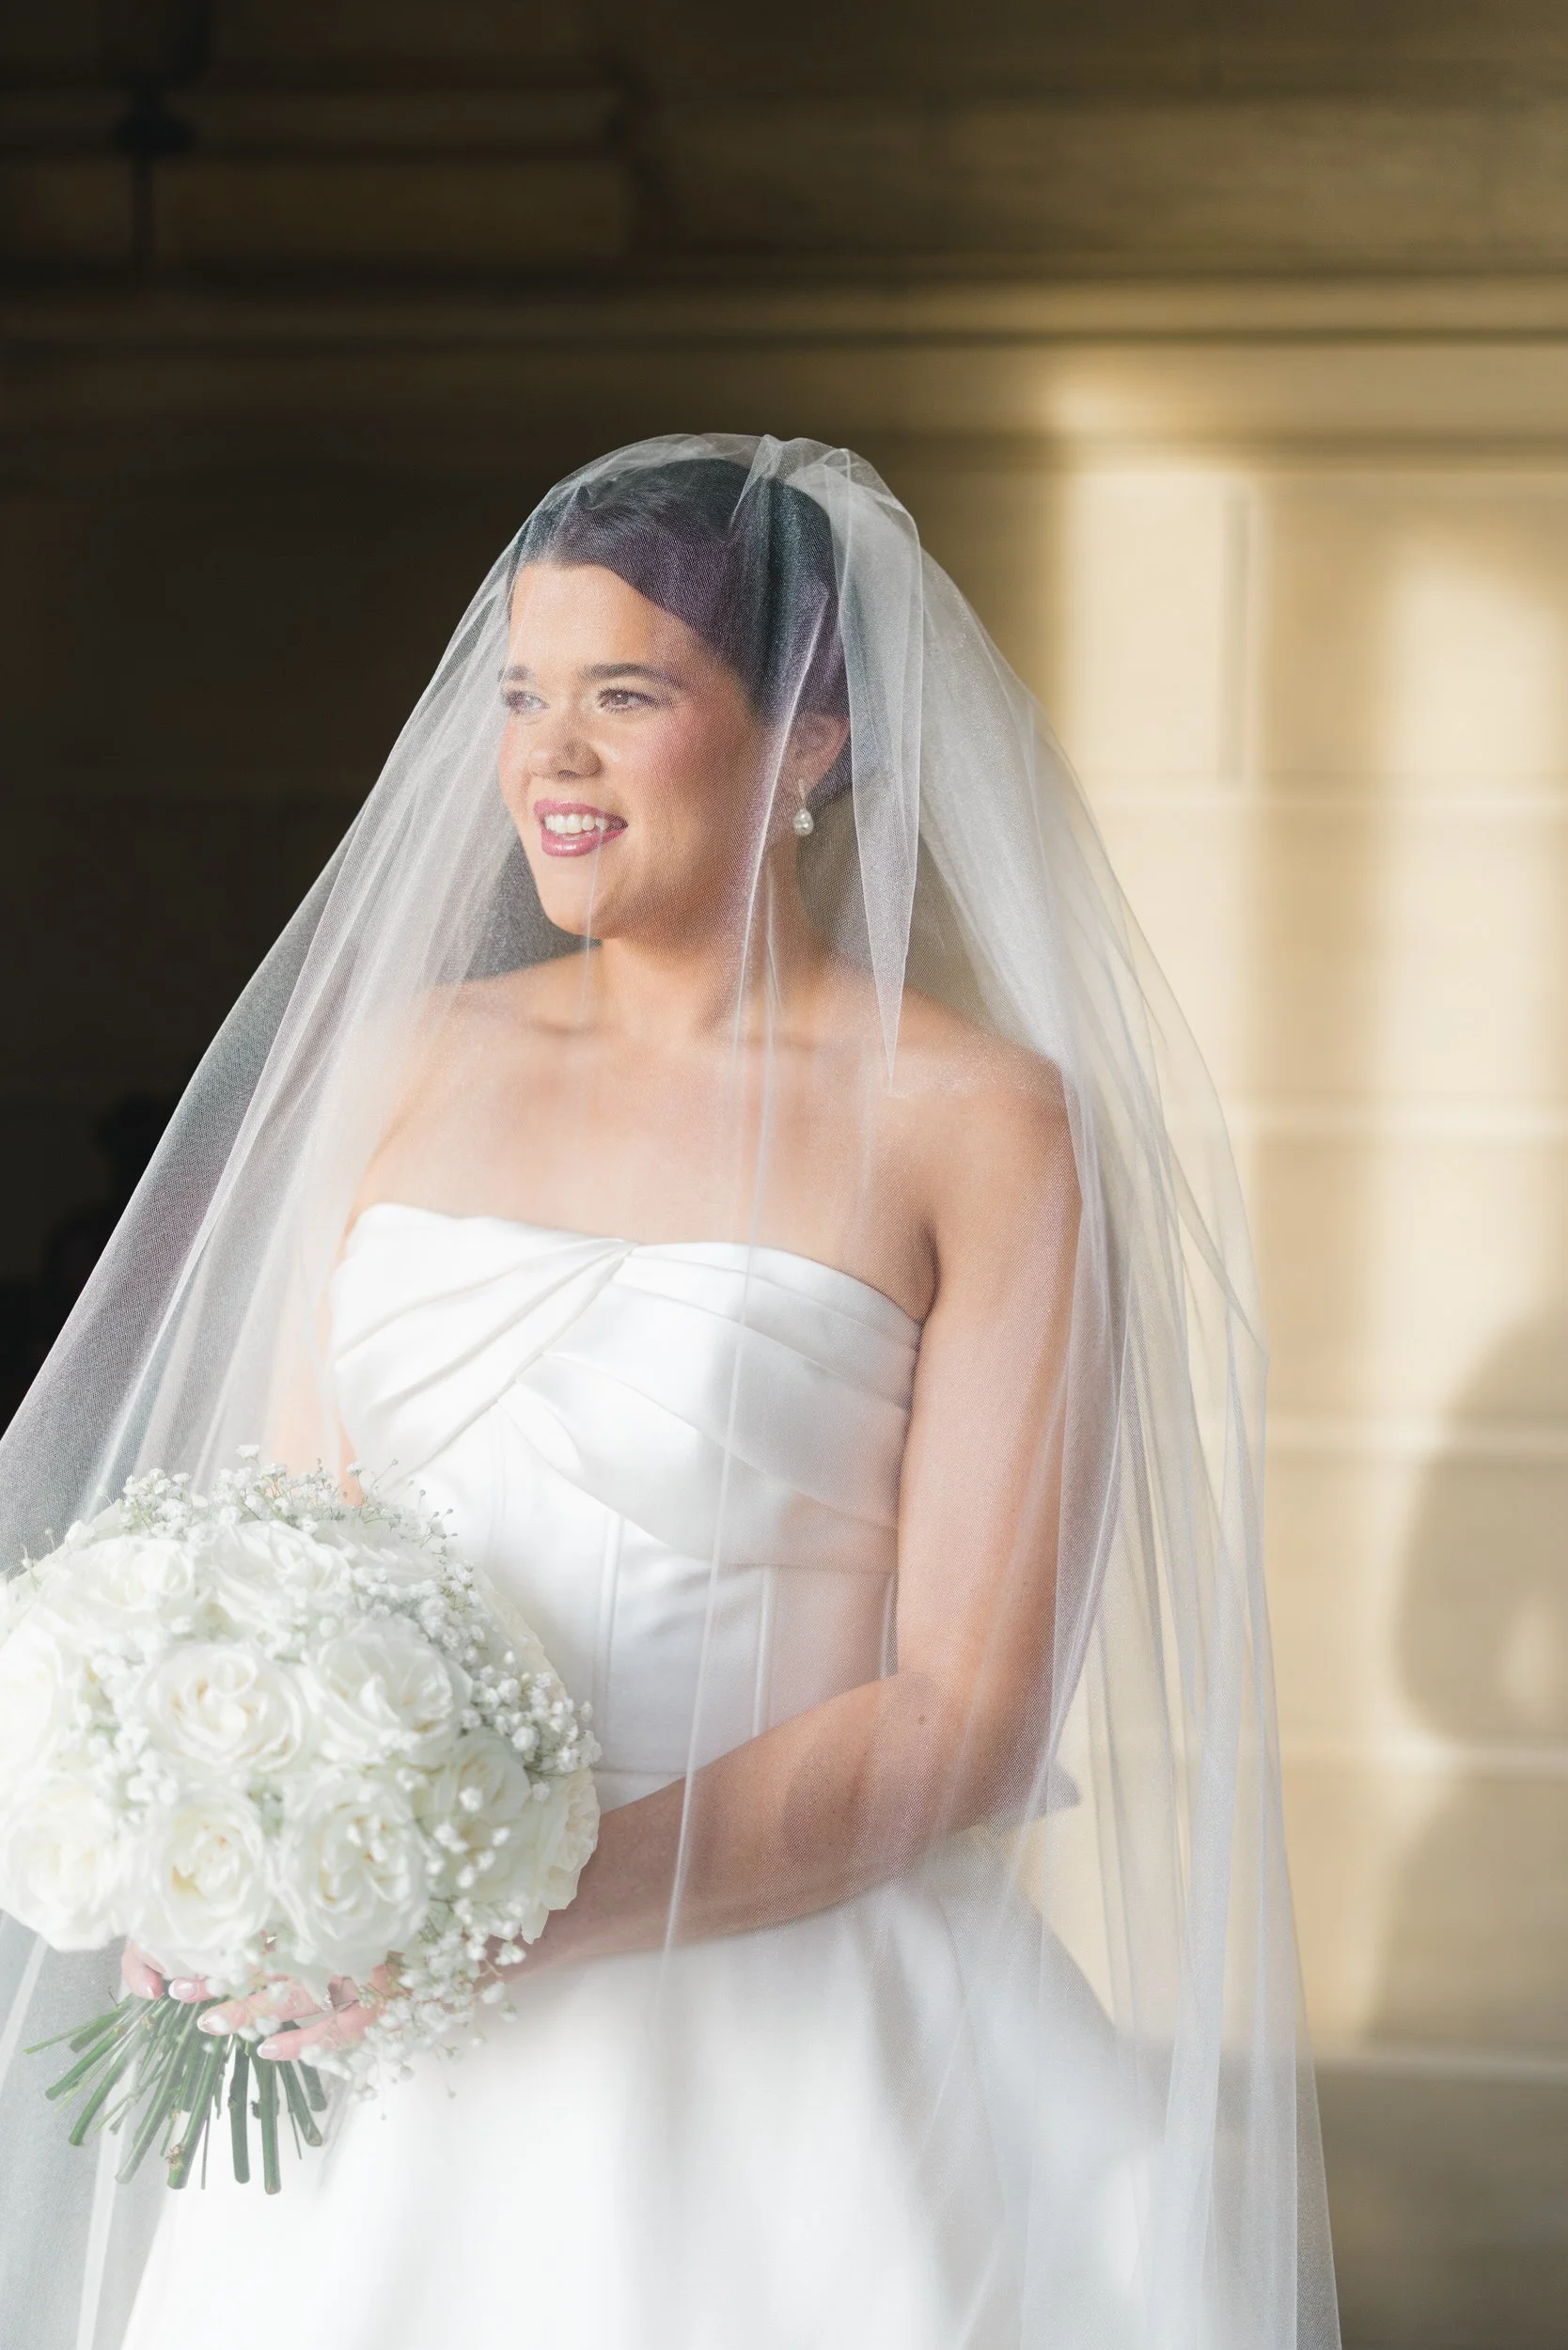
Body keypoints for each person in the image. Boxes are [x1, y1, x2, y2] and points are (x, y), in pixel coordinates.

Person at [0, 437, 1339, 2349]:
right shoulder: (399, 1064)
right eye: (521, 696)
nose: (550, 756)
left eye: (626, 694)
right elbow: (290, 1553)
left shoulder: (982, 1126)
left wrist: (510, 1913)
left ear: (810, 744)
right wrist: (242, 1843)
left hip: (800, 2051)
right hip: (387, 2062)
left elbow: (968, 1712)